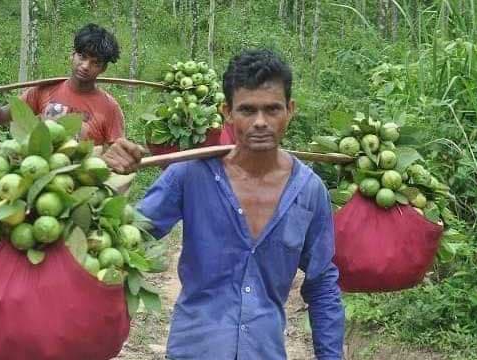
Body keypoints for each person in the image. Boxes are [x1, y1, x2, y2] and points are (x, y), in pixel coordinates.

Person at [102, 49, 345, 359]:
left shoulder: (309, 191)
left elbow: (322, 285)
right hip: (194, 350)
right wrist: (104, 178)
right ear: (227, 112)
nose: (260, 122)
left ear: (290, 110)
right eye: (247, 110)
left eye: (272, 109)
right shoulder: (189, 174)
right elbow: (125, 240)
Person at [0, 23, 124, 146]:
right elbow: (1, 116)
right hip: (38, 176)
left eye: (95, 62)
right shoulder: (44, 90)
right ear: (72, 55)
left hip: (80, 188)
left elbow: (116, 154)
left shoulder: (109, 108)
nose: (85, 66)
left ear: (103, 68)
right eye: (82, 56)